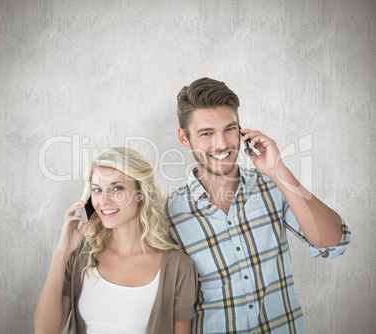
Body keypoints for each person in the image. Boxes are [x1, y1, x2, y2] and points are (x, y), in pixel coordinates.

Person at [166, 78, 351, 334]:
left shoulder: (274, 186)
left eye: (229, 128)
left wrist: (278, 171)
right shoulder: (168, 214)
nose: (222, 144)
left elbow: (333, 244)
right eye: (207, 133)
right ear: (184, 138)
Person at [35, 147, 198, 334]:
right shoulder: (81, 256)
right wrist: (61, 253)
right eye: (97, 190)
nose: (104, 200)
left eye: (117, 188)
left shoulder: (178, 268)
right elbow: (44, 330)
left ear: (141, 193)